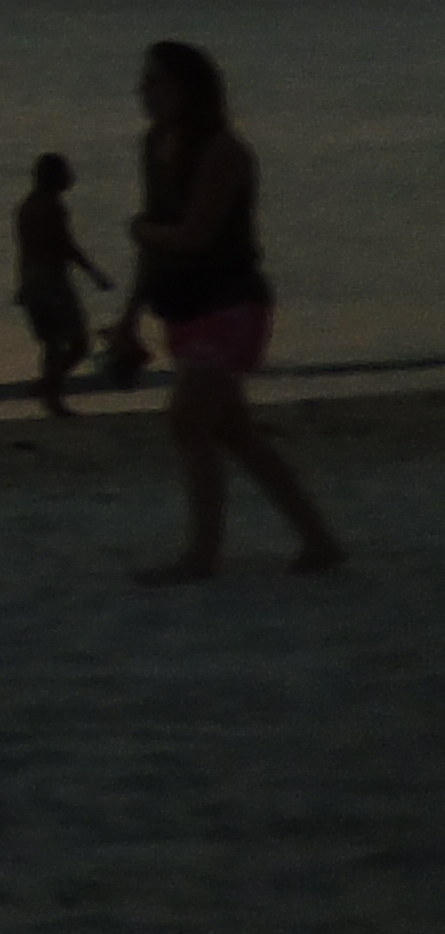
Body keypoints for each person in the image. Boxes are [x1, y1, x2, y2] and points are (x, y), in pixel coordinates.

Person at [122, 40, 344, 583]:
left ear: (187, 88)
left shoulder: (224, 152)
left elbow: (194, 233)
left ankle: (202, 554)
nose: (145, 92)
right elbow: (156, 243)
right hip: (183, 306)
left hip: (231, 303)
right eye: (145, 82)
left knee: (187, 422)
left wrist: (141, 230)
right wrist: (129, 315)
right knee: (235, 434)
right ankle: (319, 541)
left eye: (156, 81)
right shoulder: (154, 145)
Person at [13, 153, 113, 417]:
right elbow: (65, 245)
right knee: (78, 343)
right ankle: (48, 386)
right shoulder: (52, 207)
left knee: (52, 343)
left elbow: (25, 250)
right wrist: (94, 273)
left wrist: (22, 282)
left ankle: (51, 395)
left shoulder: (26, 206)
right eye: (66, 173)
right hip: (51, 280)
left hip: (33, 278)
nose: (71, 177)